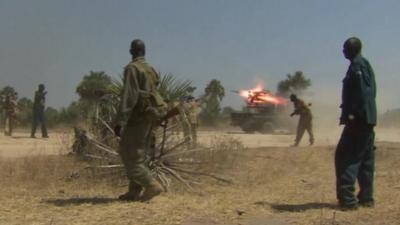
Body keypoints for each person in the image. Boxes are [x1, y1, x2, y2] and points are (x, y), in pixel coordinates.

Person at [114, 39, 166, 201]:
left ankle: (152, 185)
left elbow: (129, 95)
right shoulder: (150, 70)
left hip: (138, 118)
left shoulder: (133, 68)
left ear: (131, 52)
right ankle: (134, 190)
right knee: (140, 154)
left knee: (129, 153)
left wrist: (120, 120)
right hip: (150, 116)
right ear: (144, 52)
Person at [335, 37, 377, 210]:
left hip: (358, 121)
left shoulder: (356, 67)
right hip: (368, 120)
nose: (343, 51)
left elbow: (360, 93)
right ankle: (366, 198)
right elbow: (372, 91)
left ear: (352, 49)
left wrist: (352, 115)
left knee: (345, 157)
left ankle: (348, 200)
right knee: (366, 160)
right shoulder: (365, 64)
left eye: (345, 48)